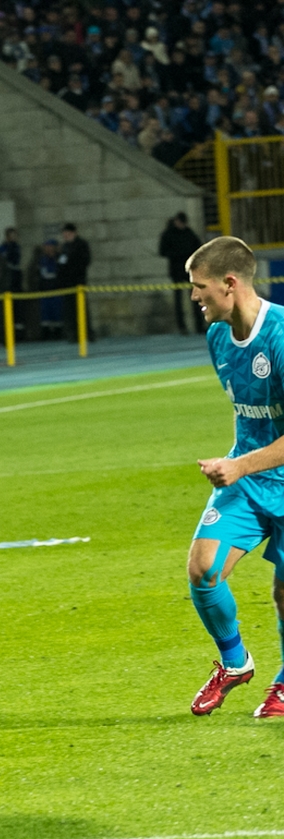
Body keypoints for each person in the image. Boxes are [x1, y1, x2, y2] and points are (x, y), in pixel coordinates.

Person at [186, 236, 284, 720]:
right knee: (204, 571)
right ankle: (235, 663)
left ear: (229, 283)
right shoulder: (217, 336)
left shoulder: (283, 337)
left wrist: (240, 465)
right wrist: (240, 463)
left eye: (198, 286)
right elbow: (251, 412)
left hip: (263, 473)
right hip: (247, 477)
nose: (193, 296)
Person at [159, 213, 203, 335]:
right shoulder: (168, 234)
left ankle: (199, 326)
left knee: (195, 298)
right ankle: (182, 327)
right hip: (176, 270)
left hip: (189, 271)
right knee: (178, 301)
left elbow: (197, 247)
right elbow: (163, 251)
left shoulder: (188, 232)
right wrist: (177, 253)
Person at [56, 222, 91, 342]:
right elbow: (61, 263)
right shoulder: (65, 247)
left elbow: (84, 262)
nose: (65, 236)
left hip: (78, 282)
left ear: (73, 233)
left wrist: (72, 269)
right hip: (67, 284)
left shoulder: (81, 245)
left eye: (67, 233)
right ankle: (74, 334)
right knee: (70, 311)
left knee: (81, 309)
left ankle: (86, 333)